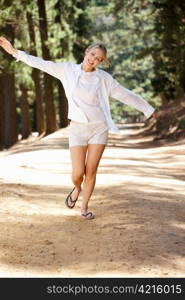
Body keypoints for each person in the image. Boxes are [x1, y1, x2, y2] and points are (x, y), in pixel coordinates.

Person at [0, 36, 155, 220]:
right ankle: (77, 188)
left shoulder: (104, 78)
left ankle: (84, 207)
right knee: (77, 174)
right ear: (86, 52)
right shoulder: (67, 70)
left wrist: (148, 109)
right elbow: (41, 64)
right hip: (77, 129)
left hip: (99, 128)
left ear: (101, 62)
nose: (94, 59)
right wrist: (14, 52)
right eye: (92, 54)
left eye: (98, 58)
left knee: (91, 171)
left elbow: (125, 94)